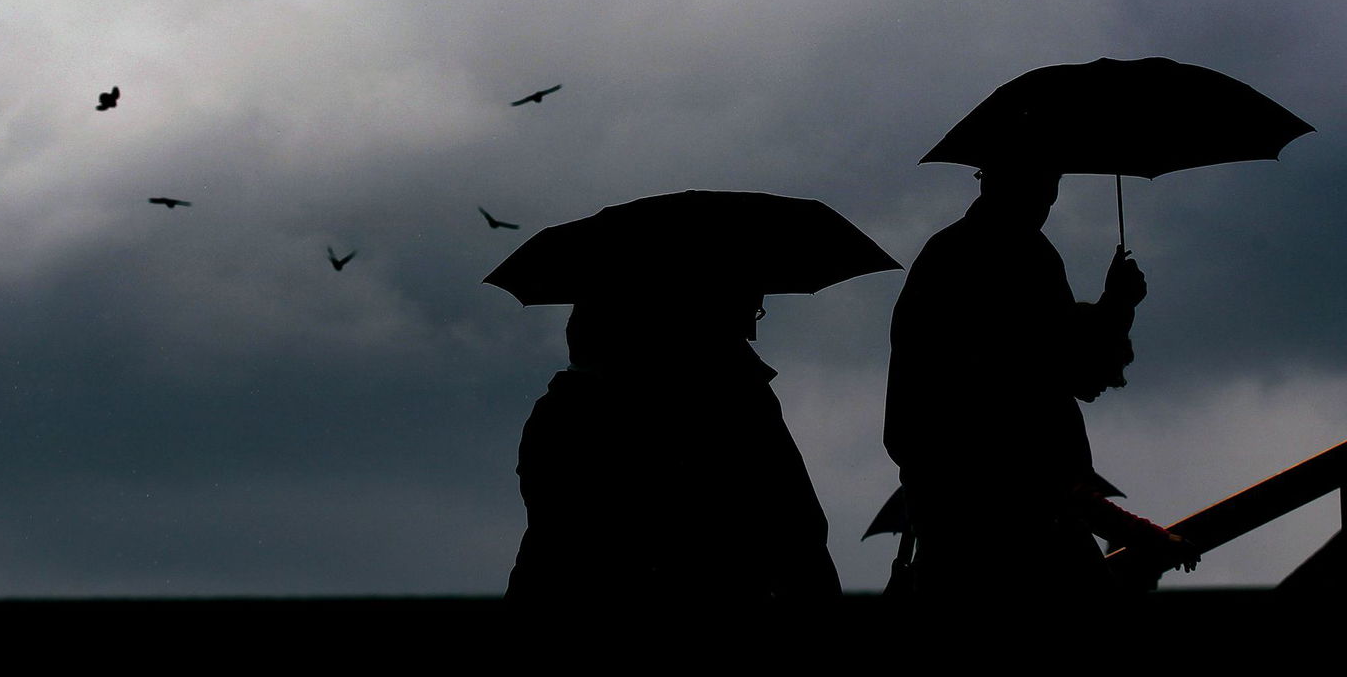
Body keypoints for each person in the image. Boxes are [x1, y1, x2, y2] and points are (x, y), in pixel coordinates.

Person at [883, 165, 1198, 594]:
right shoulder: (1024, 256)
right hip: (1024, 535)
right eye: (1044, 189)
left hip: (950, 524)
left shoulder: (943, 256)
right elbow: (1070, 374)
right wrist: (1118, 305)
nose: (1047, 204)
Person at [505, 290, 841, 610]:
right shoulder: (728, 403)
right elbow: (797, 536)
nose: (752, 327)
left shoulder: (563, 410)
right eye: (750, 308)